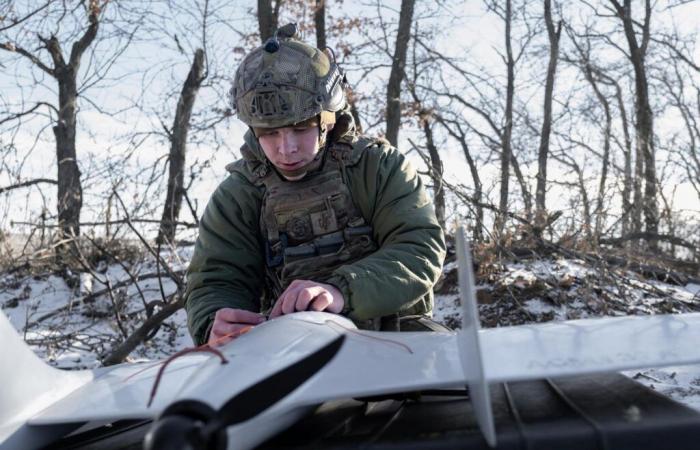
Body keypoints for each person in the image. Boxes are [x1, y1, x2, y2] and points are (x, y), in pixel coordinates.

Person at [184, 24, 447, 346]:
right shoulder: (239, 195)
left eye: (300, 128)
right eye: (269, 133)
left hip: (395, 339)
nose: (286, 148)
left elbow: (418, 249)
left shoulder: (380, 168)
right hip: (288, 350)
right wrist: (215, 321)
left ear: (328, 119)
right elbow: (217, 278)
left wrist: (341, 290)